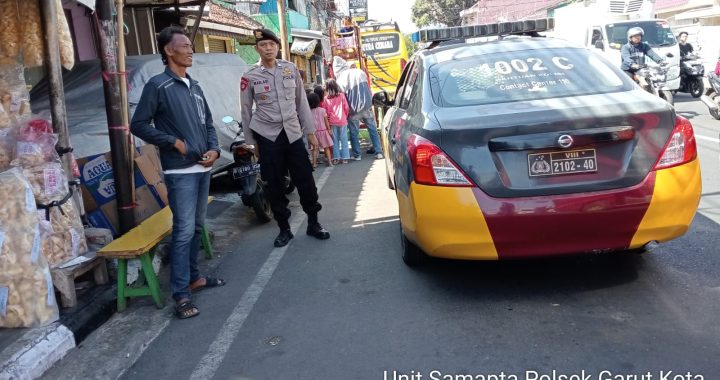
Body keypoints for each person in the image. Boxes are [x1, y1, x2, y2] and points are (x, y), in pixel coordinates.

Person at [130, 26, 225, 320]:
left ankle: (194, 278)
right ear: (169, 51)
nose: (190, 49)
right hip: (179, 171)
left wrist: (215, 150)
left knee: (197, 226)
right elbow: (139, 124)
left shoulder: (194, 86)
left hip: (203, 167)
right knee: (183, 231)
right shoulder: (158, 86)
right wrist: (173, 142)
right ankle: (181, 294)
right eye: (185, 46)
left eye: (190, 45)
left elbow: (208, 123)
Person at [240, 29, 330, 248]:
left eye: (272, 44)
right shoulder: (250, 76)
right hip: (268, 137)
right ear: (257, 49)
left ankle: (314, 223)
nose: (268, 48)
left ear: (278, 47)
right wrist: (251, 143)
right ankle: (284, 229)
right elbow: (245, 110)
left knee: (306, 180)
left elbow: (302, 103)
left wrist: (311, 132)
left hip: (293, 133)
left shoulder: (290, 70)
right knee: (275, 185)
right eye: (263, 45)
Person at [332, 56, 384, 160]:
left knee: (354, 132)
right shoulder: (359, 72)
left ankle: (357, 155)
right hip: (367, 105)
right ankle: (379, 152)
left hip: (353, 109)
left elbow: (342, 96)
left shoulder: (340, 78)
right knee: (372, 128)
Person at [323, 78, 351, 164]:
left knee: (334, 140)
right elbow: (346, 107)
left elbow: (326, 112)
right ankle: (345, 157)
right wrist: (345, 116)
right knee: (344, 139)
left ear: (327, 88)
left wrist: (327, 122)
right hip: (342, 120)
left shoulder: (326, 99)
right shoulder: (341, 95)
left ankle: (336, 158)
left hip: (332, 121)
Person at [307, 92, 334, 167]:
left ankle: (314, 163)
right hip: (323, 131)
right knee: (326, 147)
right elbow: (326, 121)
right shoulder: (322, 110)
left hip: (314, 133)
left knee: (314, 148)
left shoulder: (308, 112)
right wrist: (329, 129)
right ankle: (330, 162)